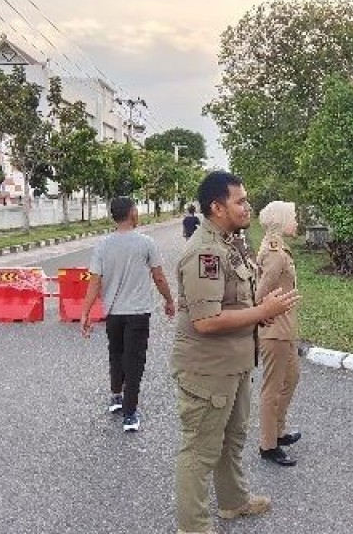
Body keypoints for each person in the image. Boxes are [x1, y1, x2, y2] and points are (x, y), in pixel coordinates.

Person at [172, 171, 300, 534]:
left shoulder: (230, 242)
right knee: (200, 449)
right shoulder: (206, 252)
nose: (248, 207)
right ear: (217, 207)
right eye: (240, 201)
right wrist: (261, 313)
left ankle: (233, 501)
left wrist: (259, 311)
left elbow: (236, 301)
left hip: (234, 363)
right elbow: (206, 321)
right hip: (207, 369)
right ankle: (193, 527)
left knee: (231, 440)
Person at [80, 196, 175, 433]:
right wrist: (169, 300)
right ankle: (130, 413)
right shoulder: (146, 243)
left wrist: (85, 313)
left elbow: (94, 281)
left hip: (113, 313)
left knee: (116, 354)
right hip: (138, 312)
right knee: (134, 361)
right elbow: (159, 277)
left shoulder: (103, 245)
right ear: (132, 213)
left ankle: (116, 396)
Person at [255, 200, 303, 467]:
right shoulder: (276, 253)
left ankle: (278, 431)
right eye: (293, 217)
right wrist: (258, 316)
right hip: (275, 330)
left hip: (285, 328)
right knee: (272, 389)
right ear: (281, 220)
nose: (296, 222)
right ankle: (268, 445)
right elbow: (260, 293)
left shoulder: (280, 248)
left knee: (291, 378)